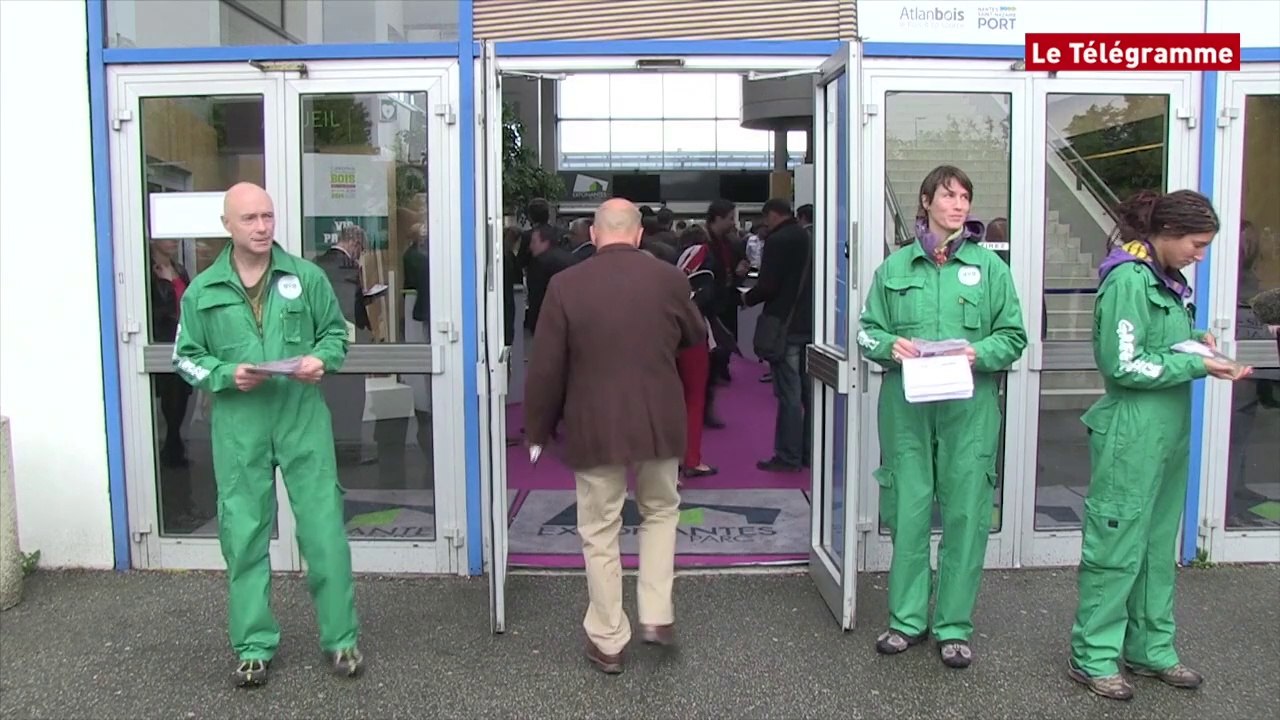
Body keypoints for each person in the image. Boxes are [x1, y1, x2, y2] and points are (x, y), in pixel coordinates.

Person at [173, 182, 363, 688]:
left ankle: (342, 639)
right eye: (250, 219)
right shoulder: (203, 291)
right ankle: (253, 646)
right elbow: (185, 357)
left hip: (302, 419)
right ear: (227, 226)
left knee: (324, 533)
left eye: (268, 216)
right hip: (240, 426)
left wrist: (322, 359)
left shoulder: (306, 276)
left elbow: (336, 333)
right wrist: (223, 374)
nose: (262, 227)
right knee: (244, 536)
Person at [1067, 189, 1253, 701]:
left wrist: (1195, 341)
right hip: (1131, 432)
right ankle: (1094, 655)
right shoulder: (1128, 279)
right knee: (1116, 546)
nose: (1200, 254)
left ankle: (1151, 648)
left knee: (1154, 546)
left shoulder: (1167, 282)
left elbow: (1155, 343)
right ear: (1166, 234)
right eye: (1196, 244)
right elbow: (1123, 364)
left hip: (1167, 432)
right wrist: (1197, 363)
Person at [523, 198, 705, 675]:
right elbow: (696, 334)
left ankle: (608, 640)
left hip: (594, 423)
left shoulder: (565, 285)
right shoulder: (669, 278)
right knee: (661, 512)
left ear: (594, 235)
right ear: (640, 235)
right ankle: (657, 613)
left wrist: (537, 429)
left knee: (599, 529)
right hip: (657, 420)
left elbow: (545, 368)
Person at [856, 165, 1027, 669]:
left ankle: (953, 625)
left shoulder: (991, 269)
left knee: (965, 517)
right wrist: (891, 345)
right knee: (908, 513)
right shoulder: (894, 269)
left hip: (969, 410)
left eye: (966, 197)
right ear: (926, 201)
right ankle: (906, 620)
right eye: (949, 196)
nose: (958, 205)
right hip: (907, 410)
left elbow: (1014, 337)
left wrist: (980, 352)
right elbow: (867, 333)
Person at [742, 198, 813, 472]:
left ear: (772, 214)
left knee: (789, 394)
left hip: (785, 323)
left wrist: (747, 299)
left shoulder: (778, 240)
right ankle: (808, 451)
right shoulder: (808, 238)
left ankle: (787, 455)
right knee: (808, 394)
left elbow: (769, 285)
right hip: (810, 323)